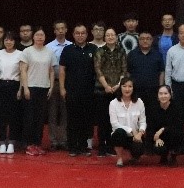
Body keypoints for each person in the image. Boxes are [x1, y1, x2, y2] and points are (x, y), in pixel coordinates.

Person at [59, 24, 99, 156]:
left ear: (87, 35)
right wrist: (62, 88)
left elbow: (98, 70)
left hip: (89, 91)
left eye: (83, 33)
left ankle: (83, 146)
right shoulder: (67, 50)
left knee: (86, 119)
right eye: (77, 33)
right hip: (71, 90)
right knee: (72, 119)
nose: (80, 35)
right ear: (73, 35)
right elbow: (62, 70)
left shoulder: (93, 49)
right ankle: (72, 146)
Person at [20, 27, 55, 156]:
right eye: (37, 35)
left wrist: (51, 87)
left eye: (42, 35)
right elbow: (23, 71)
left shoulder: (49, 52)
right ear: (33, 37)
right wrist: (25, 88)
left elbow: (51, 71)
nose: (40, 37)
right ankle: (29, 144)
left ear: (45, 37)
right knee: (29, 117)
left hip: (44, 87)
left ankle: (37, 144)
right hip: (31, 87)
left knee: (40, 119)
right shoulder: (27, 51)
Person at [94, 28, 128, 156]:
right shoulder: (100, 51)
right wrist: (106, 86)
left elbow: (124, 70)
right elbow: (98, 70)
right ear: (105, 37)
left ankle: (111, 145)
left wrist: (118, 85)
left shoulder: (121, 51)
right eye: (107, 35)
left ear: (116, 37)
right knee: (102, 119)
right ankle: (102, 146)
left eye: (112, 35)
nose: (110, 37)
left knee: (114, 119)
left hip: (117, 90)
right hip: (102, 90)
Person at [0, 33, 23, 154]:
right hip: (1, 86)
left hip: (14, 85)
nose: (8, 42)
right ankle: (1, 142)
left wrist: (20, 89)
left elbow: (22, 73)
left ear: (14, 41)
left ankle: (11, 142)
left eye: (11, 40)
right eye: (6, 40)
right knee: (1, 115)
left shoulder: (20, 54)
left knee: (13, 116)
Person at [46, 20, 72, 151]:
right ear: (54, 31)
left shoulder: (71, 45)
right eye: (58, 29)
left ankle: (65, 140)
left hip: (68, 83)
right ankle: (54, 141)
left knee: (66, 112)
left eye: (63, 28)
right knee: (52, 112)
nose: (60, 31)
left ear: (66, 30)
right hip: (53, 82)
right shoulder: (48, 47)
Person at [109, 77, 146, 167]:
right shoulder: (113, 103)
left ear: (133, 88)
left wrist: (140, 133)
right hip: (121, 135)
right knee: (119, 132)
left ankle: (134, 156)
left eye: (130, 86)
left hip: (135, 136)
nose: (127, 89)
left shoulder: (139, 102)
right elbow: (114, 124)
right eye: (124, 86)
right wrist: (131, 130)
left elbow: (143, 121)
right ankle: (120, 158)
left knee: (138, 148)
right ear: (120, 87)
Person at [147, 85, 183, 165]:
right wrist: (156, 138)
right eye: (160, 93)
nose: (163, 96)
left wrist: (163, 129)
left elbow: (178, 126)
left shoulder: (176, 107)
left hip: (173, 135)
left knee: (176, 133)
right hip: (159, 137)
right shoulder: (153, 108)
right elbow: (150, 127)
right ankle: (163, 156)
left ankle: (173, 155)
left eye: (165, 93)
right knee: (158, 147)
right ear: (157, 95)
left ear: (170, 95)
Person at [128, 30, 165, 106]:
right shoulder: (132, 54)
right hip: (136, 91)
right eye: (142, 39)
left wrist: (160, 88)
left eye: (148, 39)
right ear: (138, 40)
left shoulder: (158, 54)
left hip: (153, 91)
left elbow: (162, 72)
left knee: (152, 111)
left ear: (152, 40)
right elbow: (128, 72)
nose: (145, 41)